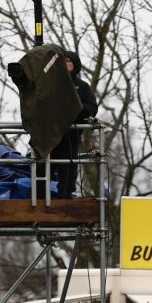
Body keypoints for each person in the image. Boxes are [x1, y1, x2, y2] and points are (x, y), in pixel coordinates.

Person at [50, 50, 98, 198]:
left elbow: (92, 109)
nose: (67, 64)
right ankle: (39, 197)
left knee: (68, 168)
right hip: (49, 133)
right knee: (42, 166)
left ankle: (65, 198)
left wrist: (76, 106)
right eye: (63, 62)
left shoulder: (82, 87)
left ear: (75, 65)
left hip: (71, 135)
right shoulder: (50, 83)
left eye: (70, 61)